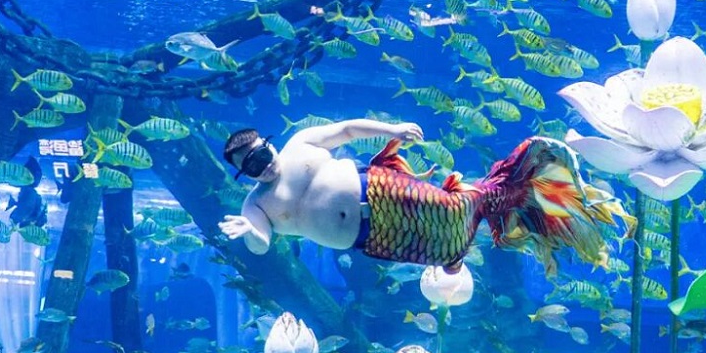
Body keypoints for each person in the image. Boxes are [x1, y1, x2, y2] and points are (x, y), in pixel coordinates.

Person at [219, 118, 631, 275]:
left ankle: (524, 177)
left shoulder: (301, 144)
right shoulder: (255, 205)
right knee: (445, 251)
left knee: (455, 208)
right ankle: (471, 243)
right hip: (373, 237)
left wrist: (392, 129)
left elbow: (346, 131)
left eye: (262, 155)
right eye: (251, 167)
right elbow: (261, 244)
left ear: (269, 144)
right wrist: (250, 232)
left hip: (382, 189)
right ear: (244, 176)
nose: (262, 166)